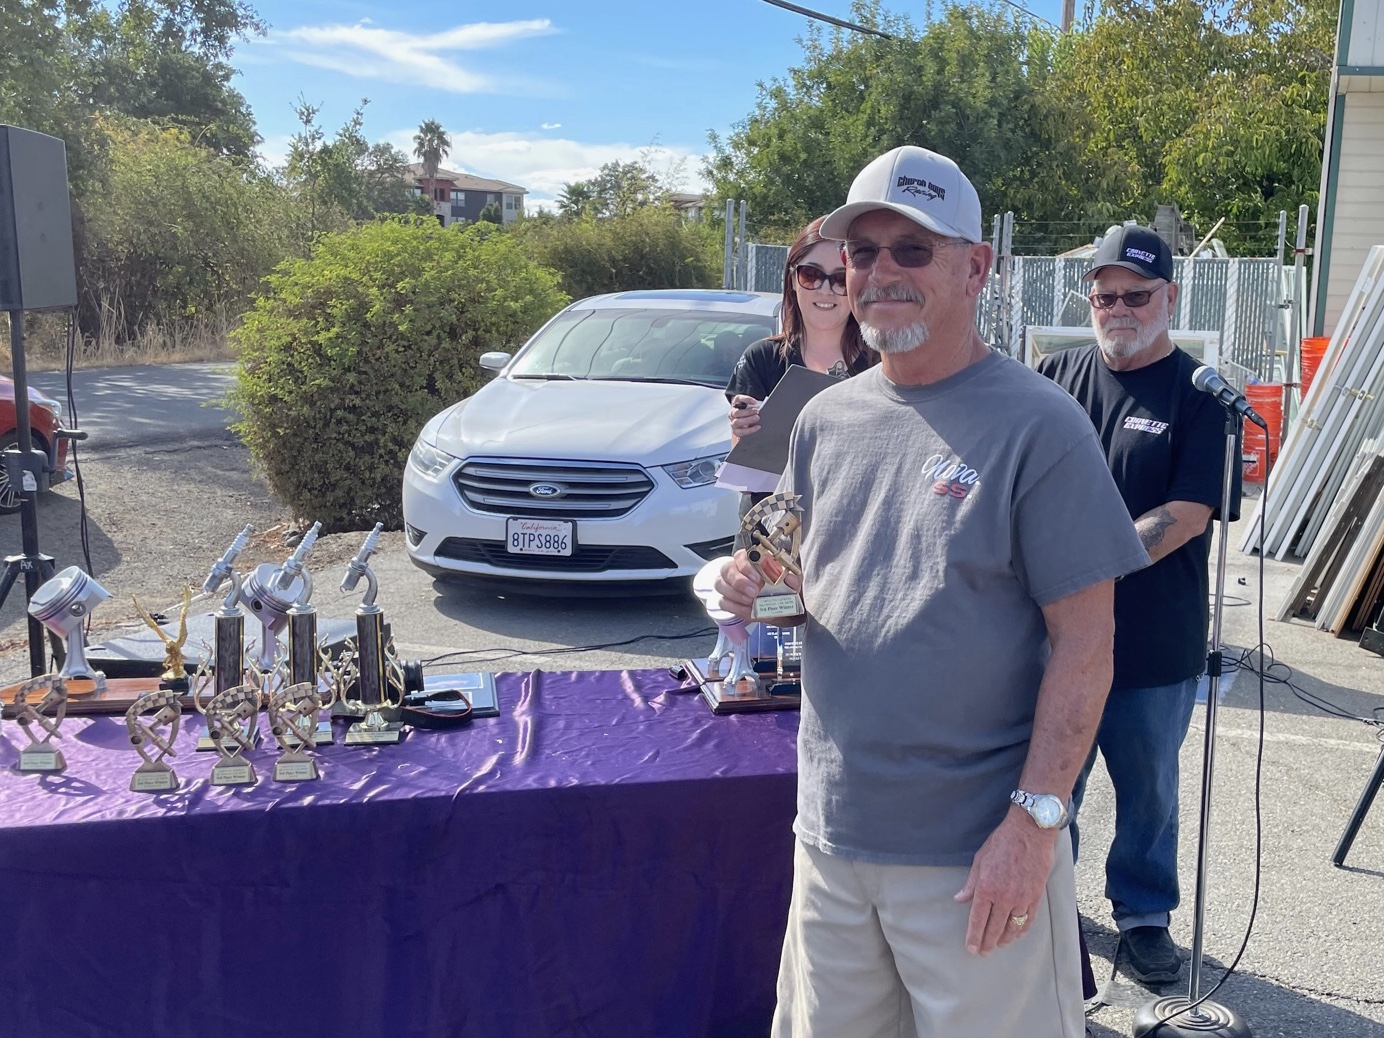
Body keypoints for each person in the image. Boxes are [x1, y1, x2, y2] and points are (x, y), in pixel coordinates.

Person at [715, 145, 1149, 1038]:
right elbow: (783, 573)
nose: (879, 273)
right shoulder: (822, 418)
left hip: (974, 858)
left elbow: (1088, 645)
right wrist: (744, 581)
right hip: (832, 839)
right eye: (861, 253)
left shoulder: (1042, 427)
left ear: (976, 266)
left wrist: (1032, 829)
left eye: (912, 250)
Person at [1037, 225, 1242, 985]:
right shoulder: (1053, 380)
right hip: (1054, 639)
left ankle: (1144, 917)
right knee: (1052, 779)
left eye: (1136, 295)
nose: (1119, 308)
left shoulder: (1202, 396)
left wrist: (1086, 567)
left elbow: (1190, 511)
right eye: (1105, 295)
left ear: (1169, 298)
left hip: (1154, 644)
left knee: (1148, 792)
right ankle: (1050, 904)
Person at [724, 215, 874, 451]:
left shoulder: (883, 362)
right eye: (811, 275)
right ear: (792, 279)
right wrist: (742, 428)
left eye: (840, 278)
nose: (825, 290)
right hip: (780, 489)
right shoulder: (763, 359)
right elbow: (744, 466)